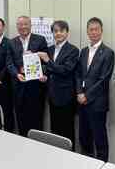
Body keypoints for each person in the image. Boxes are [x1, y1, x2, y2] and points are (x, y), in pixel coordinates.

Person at [76, 17, 115, 162]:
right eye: (91, 29)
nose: (93, 32)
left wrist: (87, 95)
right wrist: (80, 92)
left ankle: (102, 164)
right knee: (84, 137)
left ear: (101, 31)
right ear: (87, 31)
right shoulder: (84, 51)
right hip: (81, 102)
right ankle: (86, 163)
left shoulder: (108, 52)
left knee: (99, 138)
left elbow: (104, 79)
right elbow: (78, 74)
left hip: (97, 103)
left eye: (96, 29)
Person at [38, 20, 79, 149]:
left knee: (67, 130)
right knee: (54, 129)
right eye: (55, 31)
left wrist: (47, 61)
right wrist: (44, 75)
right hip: (52, 95)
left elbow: (65, 70)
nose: (58, 33)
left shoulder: (73, 50)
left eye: (61, 31)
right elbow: (48, 70)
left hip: (66, 97)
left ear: (67, 32)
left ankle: (69, 156)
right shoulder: (49, 49)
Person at [7, 16, 48, 137]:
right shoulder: (11, 42)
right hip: (18, 85)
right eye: (20, 25)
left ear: (30, 25)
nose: (23, 27)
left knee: (36, 117)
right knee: (20, 116)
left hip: (35, 86)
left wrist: (42, 73)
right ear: (17, 26)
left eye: (25, 24)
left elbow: (46, 61)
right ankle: (22, 140)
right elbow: (9, 63)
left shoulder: (40, 40)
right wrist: (17, 74)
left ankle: (37, 142)